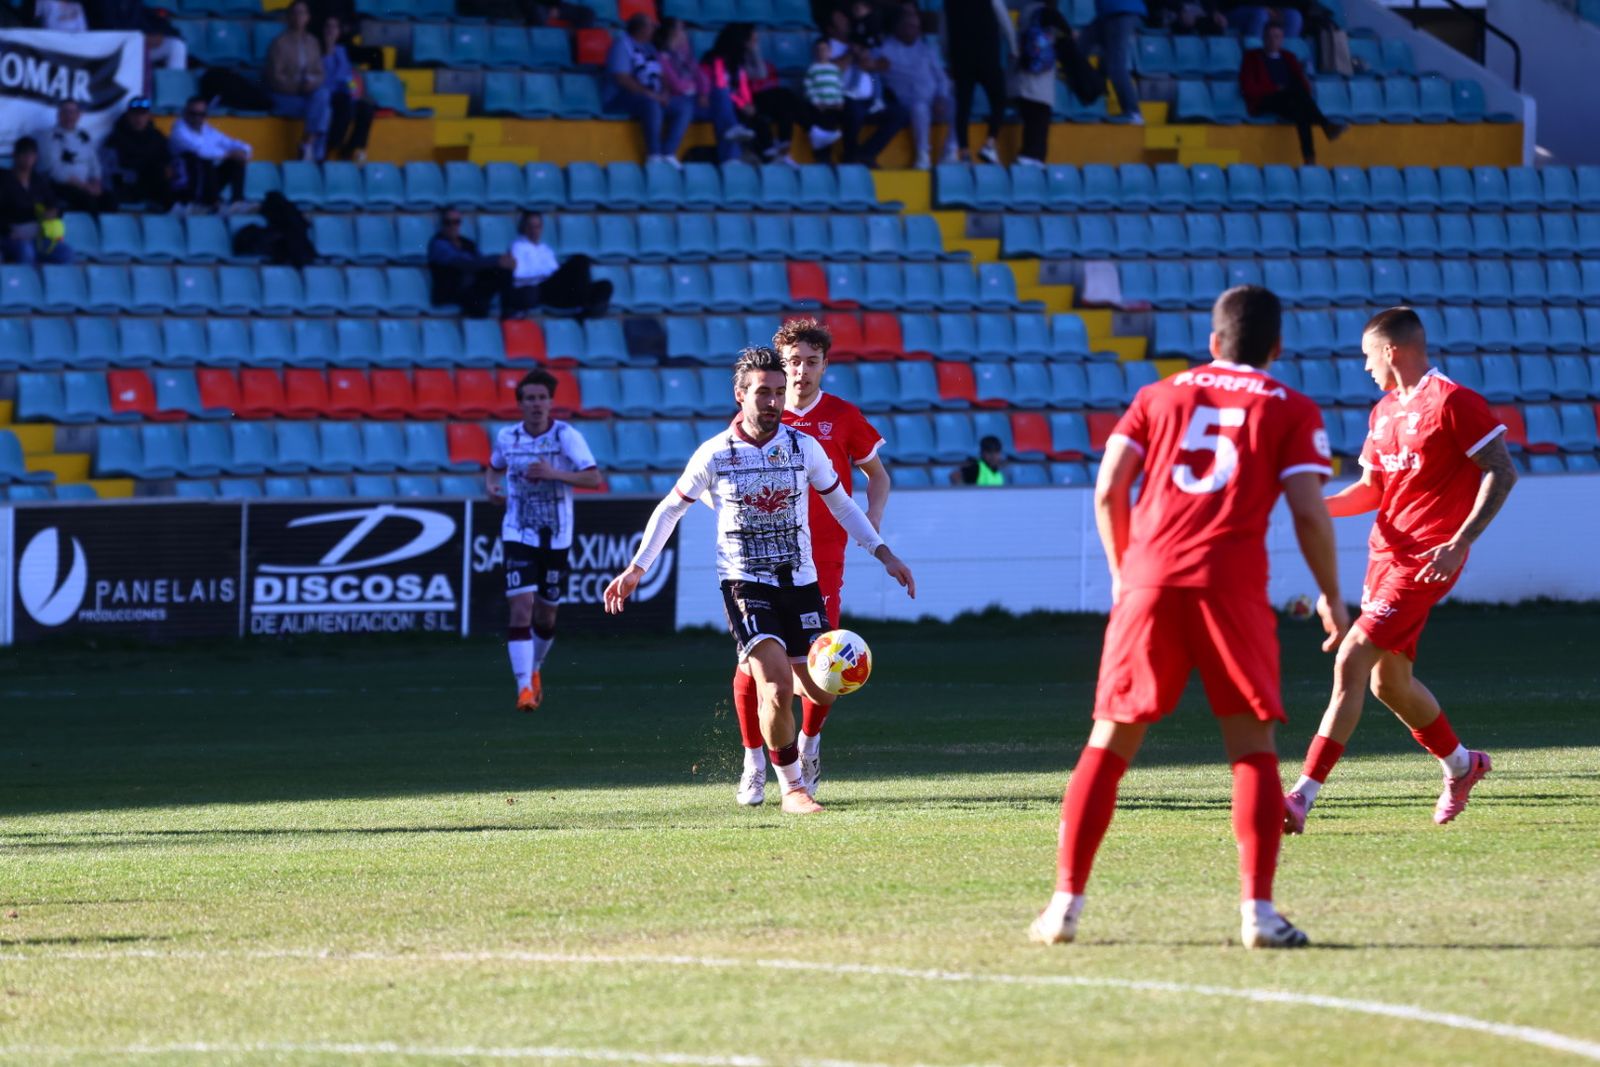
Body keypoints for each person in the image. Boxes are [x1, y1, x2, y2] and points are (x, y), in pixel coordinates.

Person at [1029, 285, 1346, 950]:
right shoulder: (1290, 405)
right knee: (1252, 747)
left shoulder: (1158, 394)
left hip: (1149, 579)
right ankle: (1258, 913)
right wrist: (1333, 596)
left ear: (1212, 341)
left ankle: (1064, 907)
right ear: (1275, 348)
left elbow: (1109, 486)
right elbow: (1311, 511)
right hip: (1230, 586)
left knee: (1108, 743)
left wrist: (1123, 572)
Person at [604, 346, 916, 816]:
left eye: (777, 392)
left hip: (802, 583)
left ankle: (772, 697)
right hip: (746, 583)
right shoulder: (714, 453)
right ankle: (792, 788)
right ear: (740, 395)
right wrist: (637, 567)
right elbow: (670, 508)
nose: (773, 401)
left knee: (820, 688)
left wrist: (883, 551)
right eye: (762, 393)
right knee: (774, 687)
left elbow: (842, 503)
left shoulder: (802, 447)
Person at [1284, 308, 1516, 833]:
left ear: (1390, 351)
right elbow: (1372, 491)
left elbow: (1502, 471)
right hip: (1384, 557)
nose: (1364, 367)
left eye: (1368, 356)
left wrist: (1460, 542)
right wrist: (1311, 504)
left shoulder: (1454, 402)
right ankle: (1462, 764)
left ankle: (1301, 795)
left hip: (1428, 559)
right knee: (1391, 684)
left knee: (1352, 659)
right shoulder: (1384, 410)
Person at [730, 318, 892, 806]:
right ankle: (754, 760)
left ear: (825, 365)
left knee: (824, 664)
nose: (800, 371)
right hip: (762, 561)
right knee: (750, 664)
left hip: (822, 561)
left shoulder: (842, 417)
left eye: (810, 361)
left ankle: (809, 745)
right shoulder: (760, 414)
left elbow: (877, 477)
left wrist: (872, 524)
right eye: (792, 362)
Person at [488, 368, 602, 712]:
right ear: (520, 404)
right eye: (530, 398)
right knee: (520, 606)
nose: (537, 404)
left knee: (546, 614)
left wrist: (554, 473)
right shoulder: (507, 437)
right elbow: (492, 466)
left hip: (557, 535)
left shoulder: (566, 436)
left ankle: (534, 670)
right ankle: (523, 687)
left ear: (550, 402)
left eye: (542, 398)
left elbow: (593, 478)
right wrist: (491, 488)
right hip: (517, 530)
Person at [1239, 21, 1343, 165]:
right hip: (1265, 100)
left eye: (1276, 37)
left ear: (1282, 39)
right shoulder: (1252, 57)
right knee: (1298, 98)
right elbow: (1248, 88)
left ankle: (1309, 159)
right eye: (1269, 36)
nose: (1272, 40)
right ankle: (1325, 126)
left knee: (1301, 113)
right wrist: (1276, 88)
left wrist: (1287, 90)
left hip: (1290, 99)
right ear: (1263, 37)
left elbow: (1303, 85)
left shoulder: (1288, 57)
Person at [604, 13, 692, 167]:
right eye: (651, 26)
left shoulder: (650, 47)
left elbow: (662, 75)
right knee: (651, 104)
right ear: (640, 29)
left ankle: (669, 152)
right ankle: (654, 155)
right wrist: (651, 95)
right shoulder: (621, 45)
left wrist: (665, 92)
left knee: (684, 105)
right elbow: (622, 78)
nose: (655, 29)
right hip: (622, 97)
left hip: (653, 96)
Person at [822, 6, 906, 167]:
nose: (845, 22)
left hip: (872, 95)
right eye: (839, 20)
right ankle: (850, 155)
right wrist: (852, 54)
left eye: (845, 18)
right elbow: (830, 69)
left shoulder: (863, 41)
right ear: (830, 28)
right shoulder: (826, 45)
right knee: (854, 111)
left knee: (899, 113)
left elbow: (884, 63)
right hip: (844, 97)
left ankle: (866, 153)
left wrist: (871, 64)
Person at [878, 5, 955, 170]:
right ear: (897, 27)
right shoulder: (885, 50)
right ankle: (923, 155)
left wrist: (941, 97)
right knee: (920, 108)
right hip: (909, 103)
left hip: (935, 101)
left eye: (917, 27)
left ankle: (950, 152)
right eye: (910, 26)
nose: (915, 30)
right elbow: (873, 77)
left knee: (960, 104)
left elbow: (942, 79)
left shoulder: (927, 48)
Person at [505, 211, 612, 319]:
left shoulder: (545, 249)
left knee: (605, 285)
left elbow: (555, 269)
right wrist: (545, 273)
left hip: (558, 287)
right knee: (580, 259)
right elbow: (518, 275)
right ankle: (585, 306)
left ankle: (585, 309)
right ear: (524, 228)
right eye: (530, 227)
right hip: (541, 289)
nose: (534, 231)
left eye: (537, 227)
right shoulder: (518, 247)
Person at [944, 0, 1011, 161]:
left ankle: (964, 152)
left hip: (962, 60)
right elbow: (1005, 23)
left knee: (963, 107)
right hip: (987, 58)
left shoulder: (949, 3)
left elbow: (944, 30)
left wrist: (947, 57)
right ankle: (989, 143)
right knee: (999, 100)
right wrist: (1014, 47)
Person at [265, 0, 330, 161]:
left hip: (308, 96)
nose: (298, 17)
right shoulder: (279, 43)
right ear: (288, 17)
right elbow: (275, 78)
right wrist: (299, 87)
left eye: (302, 13)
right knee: (325, 110)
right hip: (286, 96)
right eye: (295, 13)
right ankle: (316, 154)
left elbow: (320, 73)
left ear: (308, 17)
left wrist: (312, 84)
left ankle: (307, 144)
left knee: (323, 97)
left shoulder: (313, 42)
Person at [1014, 0, 1074, 166]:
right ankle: (1033, 157)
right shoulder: (1049, 13)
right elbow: (1067, 32)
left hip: (1024, 73)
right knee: (1040, 120)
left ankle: (1027, 154)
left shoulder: (1024, 12)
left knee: (1029, 119)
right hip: (1042, 75)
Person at [168, 96, 251, 210]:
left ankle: (237, 201)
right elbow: (200, 151)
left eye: (201, 114)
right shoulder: (179, 130)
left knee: (236, 161)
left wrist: (243, 151)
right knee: (202, 159)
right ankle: (213, 202)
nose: (197, 118)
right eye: (193, 113)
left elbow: (232, 143)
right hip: (186, 184)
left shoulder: (207, 129)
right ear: (185, 113)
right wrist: (229, 154)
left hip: (205, 182)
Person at [427, 209, 513, 318]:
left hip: (472, 286)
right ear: (442, 224)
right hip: (453, 292)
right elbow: (464, 264)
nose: (452, 226)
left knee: (503, 270)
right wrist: (497, 260)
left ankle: (508, 312)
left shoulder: (467, 243)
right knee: (480, 308)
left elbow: (481, 262)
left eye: (456, 222)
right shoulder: (437, 244)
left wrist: (502, 261)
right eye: (448, 222)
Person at [0, 137, 72, 264]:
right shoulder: (4, 180)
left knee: (65, 253)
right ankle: (24, 282)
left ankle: (53, 282)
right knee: (26, 251)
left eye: (31, 154)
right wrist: (9, 231)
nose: (28, 158)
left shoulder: (38, 181)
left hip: (37, 235)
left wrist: (54, 211)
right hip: (10, 236)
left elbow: (55, 204)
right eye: (24, 153)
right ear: (14, 155)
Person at [39, 100, 116, 213]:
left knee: (111, 200)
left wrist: (96, 183)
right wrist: (85, 186)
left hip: (85, 186)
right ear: (59, 115)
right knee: (89, 202)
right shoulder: (49, 136)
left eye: (73, 112)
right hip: (62, 186)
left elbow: (94, 163)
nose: (69, 116)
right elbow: (54, 170)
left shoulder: (83, 135)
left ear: (79, 115)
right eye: (65, 112)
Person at [1078, 0, 1145, 125]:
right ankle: (1093, 101)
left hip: (1121, 11)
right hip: (1107, 13)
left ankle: (1133, 112)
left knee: (1115, 65)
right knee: (1080, 49)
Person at [320, 15, 375, 163]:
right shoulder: (317, 51)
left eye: (335, 27)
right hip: (325, 94)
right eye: (328, 27)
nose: (331, 30)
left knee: (366, 107)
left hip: (343, 93)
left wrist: (355, 93)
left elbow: (347, 75)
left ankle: (352, 149)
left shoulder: (342, 51)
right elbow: (325, 80)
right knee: (343, 104)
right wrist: (329, 55)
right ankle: (332, 147)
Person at [104, 97, 174, 211]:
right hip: (129, 185)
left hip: (155, 185)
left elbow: (167, 161)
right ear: (128, 115)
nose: (139, 118)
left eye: (143, 114)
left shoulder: (158, 137)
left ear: (149, 116)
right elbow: (110, 168)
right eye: (135, 114)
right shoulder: (115, 139)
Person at [804, 38, 847, 153]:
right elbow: (809, 87)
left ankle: (828, 155)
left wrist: (840, 101)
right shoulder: (812, 69)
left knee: (830, 129)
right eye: (819, 50)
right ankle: (820, 156)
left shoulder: (835, 69)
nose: (821, 52)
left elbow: (839, 86)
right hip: (820, 106)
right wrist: (816, 102)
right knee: (821, 127)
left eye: (824, 49)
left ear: (830, 52)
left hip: (833, 105)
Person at [1223, 0, 1303, 38]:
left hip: (1267, 9)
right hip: (1235, 9)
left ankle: (1285, 58)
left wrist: (1276, 10)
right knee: (1260, 15)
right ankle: (1255, 59)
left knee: (1294, 16)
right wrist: (1266, 9)